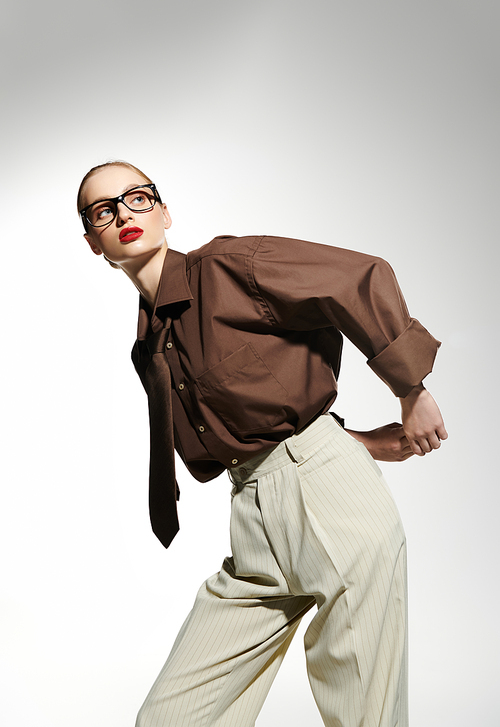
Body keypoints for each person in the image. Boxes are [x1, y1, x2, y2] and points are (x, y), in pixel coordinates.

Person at [78, 160, 447, 727]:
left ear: (164, 210)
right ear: (93, 241)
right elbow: (257, 418)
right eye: (104, 210)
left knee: (362, 713)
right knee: (171, 717)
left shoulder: (229, 267)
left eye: (138, 198)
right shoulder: (148, 345)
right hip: (253, 519)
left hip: (331, 496)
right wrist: (359, 441)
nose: (125, 213)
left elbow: (356, 277)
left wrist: (411, 390)